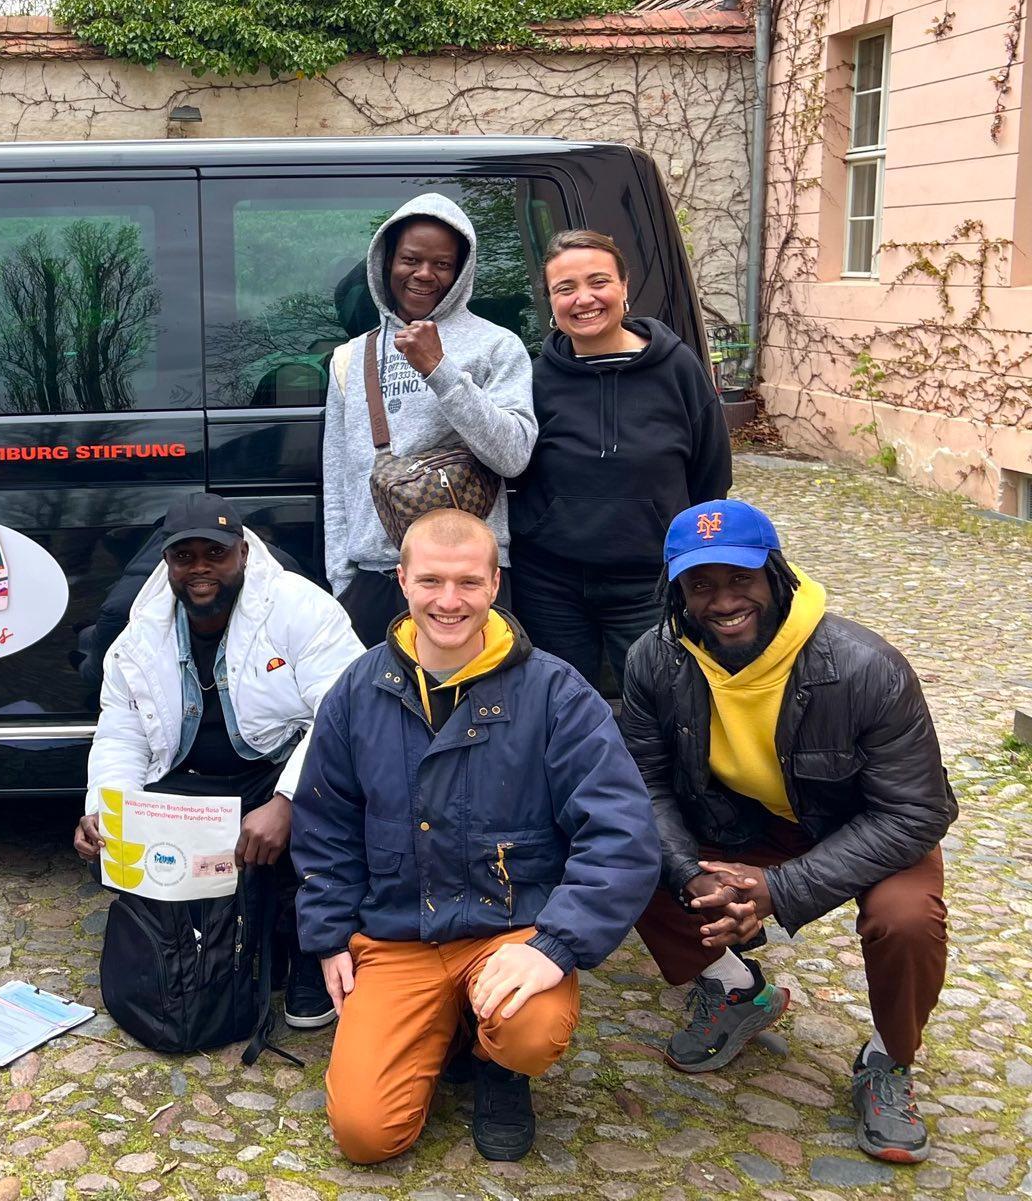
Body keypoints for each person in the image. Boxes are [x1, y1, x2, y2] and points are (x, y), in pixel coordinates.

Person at [292, 509, 658, 1164]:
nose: (449, 600)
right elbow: (325, 823)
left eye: (468, 582)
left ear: (494, 583)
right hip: (398, 935)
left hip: (508, 929)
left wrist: (556, 944)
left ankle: (498, 1066)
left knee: (531, 1029)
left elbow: (621, 832)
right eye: (431, 580)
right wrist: (328, 934)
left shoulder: (556, 692)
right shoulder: (356, 690)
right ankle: (451, 1025)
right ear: (403, 580)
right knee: (365, 1135)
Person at [623, 499, 955, 1164]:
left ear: (776, 574)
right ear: (677, 592)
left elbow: (916, 811)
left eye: (740, 578)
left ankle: (888, 1060)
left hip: (860, 826)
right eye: (700, 584)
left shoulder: (865, 667)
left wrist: (781, 889)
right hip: (739, 823)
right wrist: (690, 875)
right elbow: (644, 786)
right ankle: (735, 987)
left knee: (907, 918)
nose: (723, 601)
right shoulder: (655, 659)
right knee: (622, 846)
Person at [73, 493, 363, 1028]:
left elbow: (344, 713)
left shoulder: (301, 607)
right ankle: (207, 955)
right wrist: (105, 808)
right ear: (167, 562)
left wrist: (288, 801)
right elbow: (122, 731)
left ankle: (309, 949)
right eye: (184, 557)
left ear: (243, 552)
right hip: (192, 780)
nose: (200, 569)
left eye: (216, 553)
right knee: (126, 852)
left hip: (274, 769)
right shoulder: (139, 632)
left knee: (329, 812)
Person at [511, 229, 731, 690]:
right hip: (551, 583)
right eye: (565, 288)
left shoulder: (678, 368)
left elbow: (710, 475)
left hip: (649, 582)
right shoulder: (535, 379)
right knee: (557, 704)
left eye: (598, 282)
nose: (583, 299)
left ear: (624, 286)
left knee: (661, 702)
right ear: (550, 301)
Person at [320, 194, 536, 647]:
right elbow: (339, 478)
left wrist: (439, 369)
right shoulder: (350, 356)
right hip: (376, 578)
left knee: (475, 693)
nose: (424, 274)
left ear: (460, 272)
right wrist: (343, 581)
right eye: (410, 260)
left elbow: (513, 454)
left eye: (442, 264)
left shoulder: (497, 346)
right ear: (386, 262)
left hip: (467, 581)